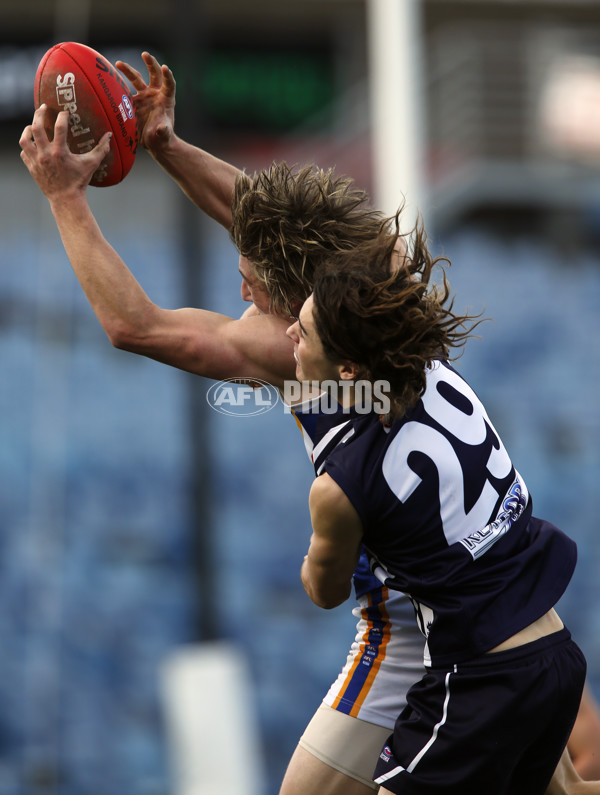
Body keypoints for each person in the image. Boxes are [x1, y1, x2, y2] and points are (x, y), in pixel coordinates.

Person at [19, 53, 599, 795]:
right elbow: (265, 221)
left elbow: (137, 326)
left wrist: (65, 196)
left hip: (425, 621)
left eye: (252, 278)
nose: (240, 277)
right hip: (499, 602)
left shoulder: (297, 354)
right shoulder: (370, 290)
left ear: (300, 318)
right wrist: (165, 145)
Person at [286, 223, 588, 793]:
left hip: (481, 678)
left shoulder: (340, 485)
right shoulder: (431, 366)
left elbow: (323, 592)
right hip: (554, 652)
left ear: (348, 369)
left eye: (301, 333)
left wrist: (317, 551)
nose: (286, 336)